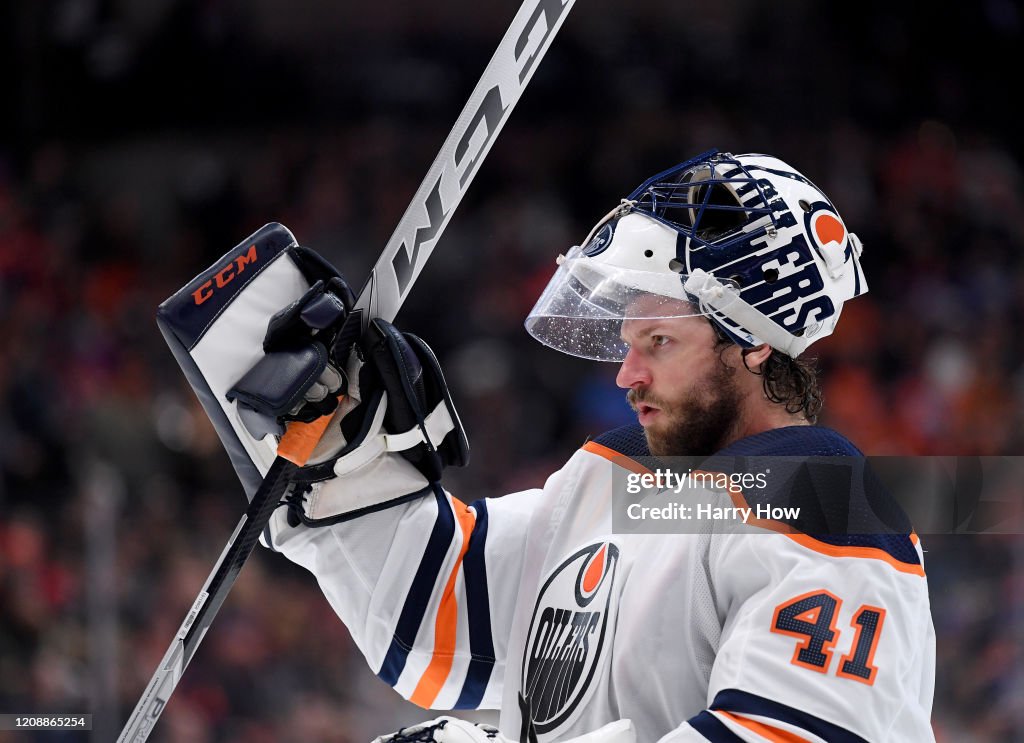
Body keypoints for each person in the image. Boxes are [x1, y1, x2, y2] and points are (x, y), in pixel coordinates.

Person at [216, 150, 936, 742]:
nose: (627, 373)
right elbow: (439, 621)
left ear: (755, 343)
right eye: (627, 341)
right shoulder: (615, 478)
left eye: (658, 340)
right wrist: (348, 467)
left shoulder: (827, 501)